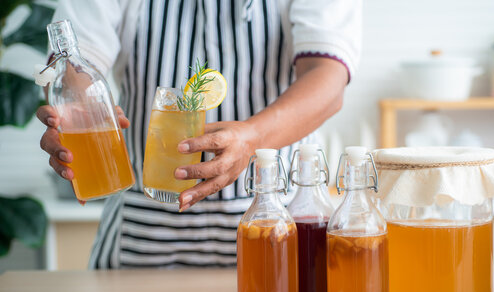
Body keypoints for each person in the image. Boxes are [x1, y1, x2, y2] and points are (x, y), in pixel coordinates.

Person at [36, 0, 361, 268]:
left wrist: (253, 137)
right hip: (144, 227)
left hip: (277, 219)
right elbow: (76, 63)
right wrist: (77, 108)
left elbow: (327, 78)